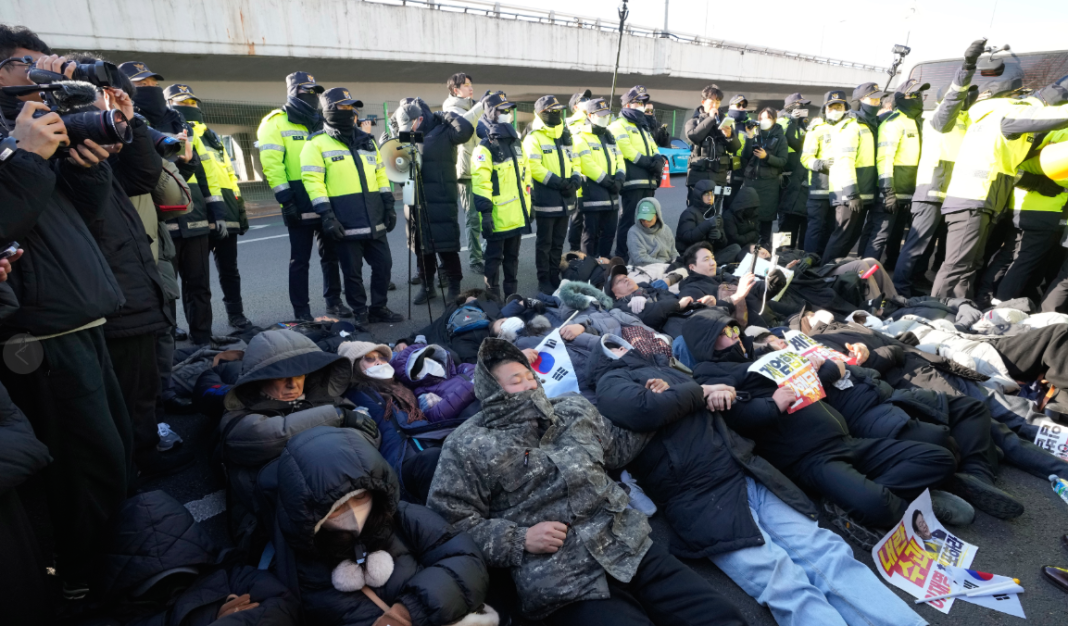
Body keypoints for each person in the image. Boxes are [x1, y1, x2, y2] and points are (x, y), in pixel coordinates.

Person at [588, 337, 931, 626]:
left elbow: (728, 412)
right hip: (702, 498)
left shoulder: (672, 374)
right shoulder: (610, 383)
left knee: (829, 555)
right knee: (784, 583)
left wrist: (760, 403)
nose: (640, 343)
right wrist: (697, 391)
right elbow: (642, 409)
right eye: (623, 344)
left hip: (746, 472)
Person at [427, 339, 747, 625]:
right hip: (563, 580)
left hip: (625, 543)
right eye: (515, 380)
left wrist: (655, 403)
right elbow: (448, 525)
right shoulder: (468, 444)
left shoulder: (571, 408)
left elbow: (617, 449)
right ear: (491, 390)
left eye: (529, 375)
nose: (528, 383)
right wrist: (519, 539)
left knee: (720, 616)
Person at [0, 28, 131, 599]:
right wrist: (26, 153)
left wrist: (87, 161)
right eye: (27, 64)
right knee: (84, 467)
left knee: (113, 451)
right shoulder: (18, 138)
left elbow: (86, 214)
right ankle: (88, 582)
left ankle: (122, 562)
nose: (42, 71)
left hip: (84, 316)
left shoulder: (38, 124)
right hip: (40, 330)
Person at [684, 309, 958, 538]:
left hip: (845, 438)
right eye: (725, 333)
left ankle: (861, 496)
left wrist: (819, 366)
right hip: (811, 458)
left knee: (940, 458)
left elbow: (824, 378)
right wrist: (773, 404)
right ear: (706, 343)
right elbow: (734, 416)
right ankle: (898, 505)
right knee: (879, 506)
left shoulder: (763, 355)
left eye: (734, 329)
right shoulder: (709, 375)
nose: (735, 337)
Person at [269, 426, 492, 626]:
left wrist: (406, 613)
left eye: (360, 497)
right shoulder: (296, 567)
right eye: (337, 508)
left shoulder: (400, 517)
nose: (354, 514)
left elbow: (465, 559)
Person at [217, 329, 378, 546]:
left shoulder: (324, 396)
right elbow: (260, 436)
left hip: (345, 499)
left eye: (300, 375)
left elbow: (371, 437)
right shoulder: (240, 415)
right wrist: (336, 418)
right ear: (258, 379)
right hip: (286, 516)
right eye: (281, 377)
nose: (293, 385)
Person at [931, 68, 1068, 299]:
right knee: (957, 265)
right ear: (1012, 97)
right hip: (974, 199)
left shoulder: (991, 115)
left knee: (970, 263)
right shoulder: (1006, 115)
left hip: (982, 199)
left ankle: (959, 306)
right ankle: (932, 311)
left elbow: (1009, 163)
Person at [123, 61, 215, 346]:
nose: (150, 88)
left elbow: (194, 167)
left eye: (152, 83)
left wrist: (214, 210)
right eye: (141, 84)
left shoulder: (178, 119)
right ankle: (169, 342)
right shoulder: (129, 123)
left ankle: (203, 338)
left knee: (199, 285)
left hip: (194, 215)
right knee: (166, 288)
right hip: (159, 221)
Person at [302, 87, 403, 325]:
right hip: (345, 221)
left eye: (351, 107)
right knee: (352, 273)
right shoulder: (316, 144)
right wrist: (326, 215)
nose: (349, 111)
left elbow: (381, 175)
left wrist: (389, 205)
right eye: (343, 107)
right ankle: (360, 312)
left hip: (374, 217)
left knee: (383, 266)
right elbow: (313, 182)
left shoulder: (366, 141)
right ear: (328, 109)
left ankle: (379, 307)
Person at [893, 40, 987, 297]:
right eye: (967, 95)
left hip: (952, 195)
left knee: (934, 247)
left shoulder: (966, 121)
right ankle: (899, 290)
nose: (970, 97)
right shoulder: (939, 119)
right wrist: (967, 68)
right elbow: (954, 97)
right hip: (931, 192)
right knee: (916, 245)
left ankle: (917, 282)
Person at [258, 71, 349, 322]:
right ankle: (302, 312)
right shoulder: (275, 122)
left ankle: (334, 303)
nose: (311, 95)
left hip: (324, 201)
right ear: (292, 91)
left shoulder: (321, 121)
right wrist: (286, 200)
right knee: (299, 260)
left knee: (330, 256)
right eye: (305, 90)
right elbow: (272, 166)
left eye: (314, 91)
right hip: (297, 202)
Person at [164, 83, 253, 330]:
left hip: (224, 207)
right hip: (196, 209)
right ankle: (181, 326)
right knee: (193, 277)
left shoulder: (211, 135)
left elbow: (227, 174)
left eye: (193, 102)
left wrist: (239, 209)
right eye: (183, 103)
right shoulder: (176, 132)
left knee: (229, 269)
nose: (190, 107)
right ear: (170, 105)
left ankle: (236, 314)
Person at [340, 341, 470, 505]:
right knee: (433, 460)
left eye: (382, 357)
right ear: (355, 367)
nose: (379, 362)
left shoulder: (401, 387)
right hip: (401, 461)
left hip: (427, 439)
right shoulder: (355, 393)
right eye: (370, 359)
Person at [392, 97, 474, 304]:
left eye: (410, 124)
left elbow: (465, 130)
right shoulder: (406, 134)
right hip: (413, 196)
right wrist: (392, 140)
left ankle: (454, 286)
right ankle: (427, 286)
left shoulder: (442, 130)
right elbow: (398, 166)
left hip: (440, 196)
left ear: (419, 118)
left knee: (446, 246)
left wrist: (445, 114)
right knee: (420, 246)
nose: (408, 129)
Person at [861, 79, 927, 267]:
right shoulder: (893, 123)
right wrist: (887, 190)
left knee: (896, 234)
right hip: (891, 191)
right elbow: (885, 158)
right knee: (879, 235)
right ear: (901, 98)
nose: (918, 98)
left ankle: (889, 266)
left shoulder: (916, 122)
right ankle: (864, 274)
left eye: (920, 95)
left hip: (907, 191)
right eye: (913, 95)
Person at [472, 91, 532, 299]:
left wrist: (528, 207)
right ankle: (493, 297)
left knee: (512, 259)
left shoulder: (515, 143)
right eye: (503, 110)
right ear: (491, 113)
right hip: (497, 217)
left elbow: (526, 177)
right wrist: (486, 214)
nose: (509, 114)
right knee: (493, 259)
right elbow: (481, 183)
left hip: (516, 215)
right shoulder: (485, 147)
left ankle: (511, 296)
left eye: (509, 110)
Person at [523, 95, 580, 294]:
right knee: (544, 243)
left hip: (565, 200)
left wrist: (575, 178)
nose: (558, 114)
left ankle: (554, 276)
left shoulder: (564, 135)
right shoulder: (534, 137)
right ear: (541, 114)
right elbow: (534, 166)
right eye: (553, 111)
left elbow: (574, 160)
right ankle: (543, 279)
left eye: (559, 111)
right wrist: (557, 181)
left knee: (558, 243)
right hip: (546, 199)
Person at [823, 83, 880, 261]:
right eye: (873, 98)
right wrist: (852, 193)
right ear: (860, 100)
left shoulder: (867, 124)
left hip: (859, 191)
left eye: (879, 98)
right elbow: (845, 161)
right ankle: (823, 274)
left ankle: (831, 274)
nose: (877, 102)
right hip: (849, 192)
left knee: (850, 236)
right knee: (842, 236)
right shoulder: (852, 125)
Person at [800, 91, 860, 256]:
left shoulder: (849, 127)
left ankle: (824, 264)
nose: (835, 110)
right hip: (820, 189)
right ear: (825, 109)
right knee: (815, 228)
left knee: (832, 229)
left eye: (839, 107)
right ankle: (809, 261)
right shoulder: (817, 129)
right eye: (831, 107)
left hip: (839, 190)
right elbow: (805, 158)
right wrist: (821, 164)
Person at [610, 85, 665, 261]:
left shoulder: (643, 126)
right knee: (629, 221)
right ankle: (622, 256)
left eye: (643, 102)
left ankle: (641, 254)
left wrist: (658, 160)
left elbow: (653, 147)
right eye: (637, 102)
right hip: (632, 182)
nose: (641, 105)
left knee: (647, 222)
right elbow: (627, 151)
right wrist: (650, 163)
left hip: (648, 181)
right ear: (627, 104)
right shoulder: (619, 125)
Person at [441, 72, 486, 274]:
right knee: (473, 219)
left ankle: (485, 252)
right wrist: (480, 107)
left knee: (488, 215)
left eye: (471, 84)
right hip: (466, 171)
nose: (471, 87)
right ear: (455, 89)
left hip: (483, 168)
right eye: (466, 85)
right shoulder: (449, 109)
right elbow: (463, 126)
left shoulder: (475, 106)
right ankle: (475, 259)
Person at [572, 98, 624, 257]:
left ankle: (604, 269)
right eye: (600, 115)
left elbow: (619, 158)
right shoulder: (581, 136)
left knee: (608, 235)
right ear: (590, 115)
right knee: (590, 237)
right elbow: (586, 163)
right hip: (592, 195)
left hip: (612, 198)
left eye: (606, 114)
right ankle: (589, 271)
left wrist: (620, 177)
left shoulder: (609, 136)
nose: (604, 118)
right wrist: (608, 181)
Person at [607, 264, 712, 337]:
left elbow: (673, 298)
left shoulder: (648, 289)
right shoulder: (620, 306)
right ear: (615, 295)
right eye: (619, 281)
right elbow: (648, 315)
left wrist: (699, 303)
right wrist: (677, 305)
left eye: (625, 276)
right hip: (675, 329)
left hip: (691, 315)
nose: (626, 279)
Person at [740, 107, 788, 243]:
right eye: (761, 118)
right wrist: (749, 136)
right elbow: (745, 156)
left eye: (768, 118)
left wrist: (766, 157)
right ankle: (749, 247)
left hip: (769, 184)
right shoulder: (755, 134)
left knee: (766, 218)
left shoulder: (780, 137)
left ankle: (764, 247)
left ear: (774, 120)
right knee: (749, 216)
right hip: (751, 182)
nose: (764, 121)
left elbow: (783, 161)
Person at [776, 93, 812, 247]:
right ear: (791, 106)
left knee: (801, 217)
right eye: (800, 105)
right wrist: (792, 121)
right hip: (786, 177)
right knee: (786, 219)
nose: (803, 108)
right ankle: (781, 251)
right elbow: (784, 140)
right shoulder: (782, 122)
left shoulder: (801, 125)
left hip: (801, 177)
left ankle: (800, 254)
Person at [566, 88, 593, 252]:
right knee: (577, 219)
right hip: (579, 179)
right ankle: (574, 252)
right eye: (583, 100)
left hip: (595, 180)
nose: (588, 101)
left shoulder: (595, 121)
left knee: (592, 223)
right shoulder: (570, 124)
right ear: (575, 106)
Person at [627, 197, 678, 267]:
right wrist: (665, 265)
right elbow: (640, 259)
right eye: (642, 219)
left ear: (657, 215)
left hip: (667, 265)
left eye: (649, 219)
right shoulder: (633, 232)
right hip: (644, 268)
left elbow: (673, 251)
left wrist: (677, 260)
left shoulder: (666, 229)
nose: (645, 222)